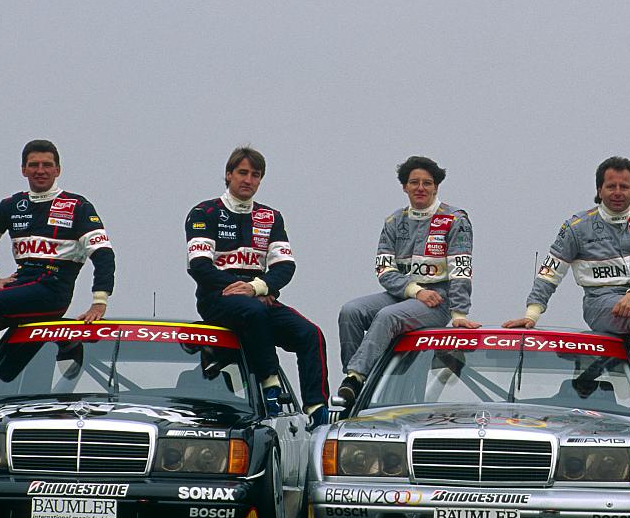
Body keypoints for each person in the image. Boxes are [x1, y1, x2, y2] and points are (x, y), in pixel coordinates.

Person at [503, 156, 630, 407]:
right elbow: (550, 272)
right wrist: (532, 314)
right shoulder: (577, 227)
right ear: (599, 190)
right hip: (601, 303)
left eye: (624, 186)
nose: (618, 192)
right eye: (611, 186)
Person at [0, 139, 115, 388]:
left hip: (53, 288)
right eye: (34, 165)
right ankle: (3, 374)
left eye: (47, 165)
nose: (40, 170)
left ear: (57, 170)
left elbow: (104, 255)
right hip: (22, 283)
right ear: (23, 170)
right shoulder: (11, 205)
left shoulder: (77, 206)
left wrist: (99, 302)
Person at [185, 147, 328, 423]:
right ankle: (270, 384)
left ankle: (317, 412)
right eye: (242, 173)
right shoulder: (204, 212)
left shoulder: (271, 216)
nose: (248, 180)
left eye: (255, 175)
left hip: (260, 298)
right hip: (217, 299)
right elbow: (200, 266)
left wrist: (259, 288)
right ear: (228, 175)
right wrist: (247, 289)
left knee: (311, 334)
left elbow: (285, 266)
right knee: (254, 311)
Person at [335, 156, 478, 406]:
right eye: (414, 182)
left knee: (388, 316)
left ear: (436, 187)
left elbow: (461, 271)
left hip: (438, 300)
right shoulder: (393, 221)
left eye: (427, 183)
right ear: (404, 187)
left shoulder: (455, 220)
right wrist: (414, 291)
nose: (420, 188)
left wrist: (458, 315)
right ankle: (355, 384)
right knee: (351, 311)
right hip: (404, 294)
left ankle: (356, 378)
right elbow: (383, 269)